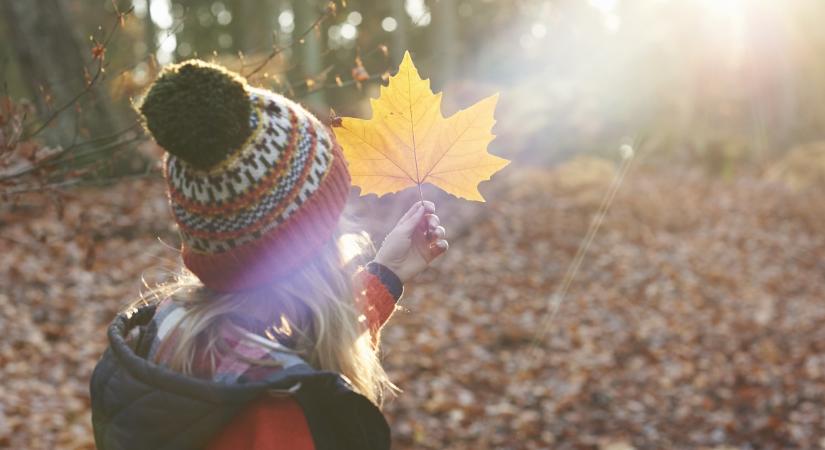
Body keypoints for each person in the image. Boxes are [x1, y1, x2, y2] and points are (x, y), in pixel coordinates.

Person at [89, 60, 448, 450]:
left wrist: (386, 275)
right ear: (309, 246)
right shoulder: (276, 420)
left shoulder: (168, 333)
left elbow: (292, 341)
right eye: (335, 211)